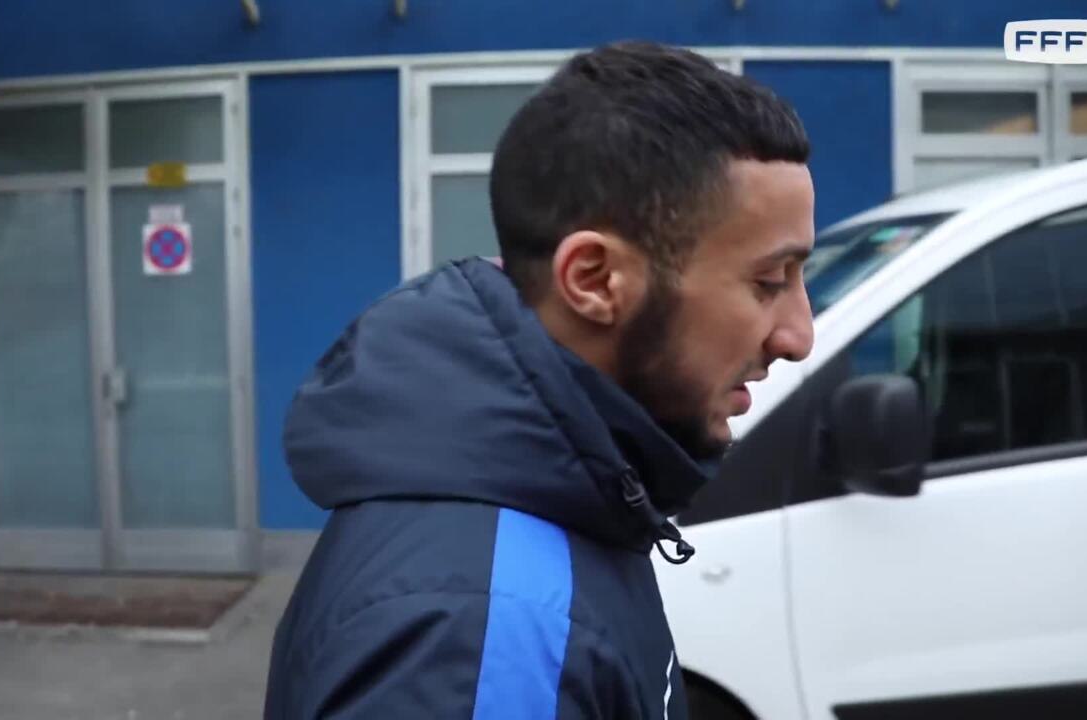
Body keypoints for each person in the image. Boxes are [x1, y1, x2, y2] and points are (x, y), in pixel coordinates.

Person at [264, 41, 815, 720]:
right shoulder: (482, 631)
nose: (798, 336)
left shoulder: (565, 494)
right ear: (594, 280)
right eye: (768, 282)